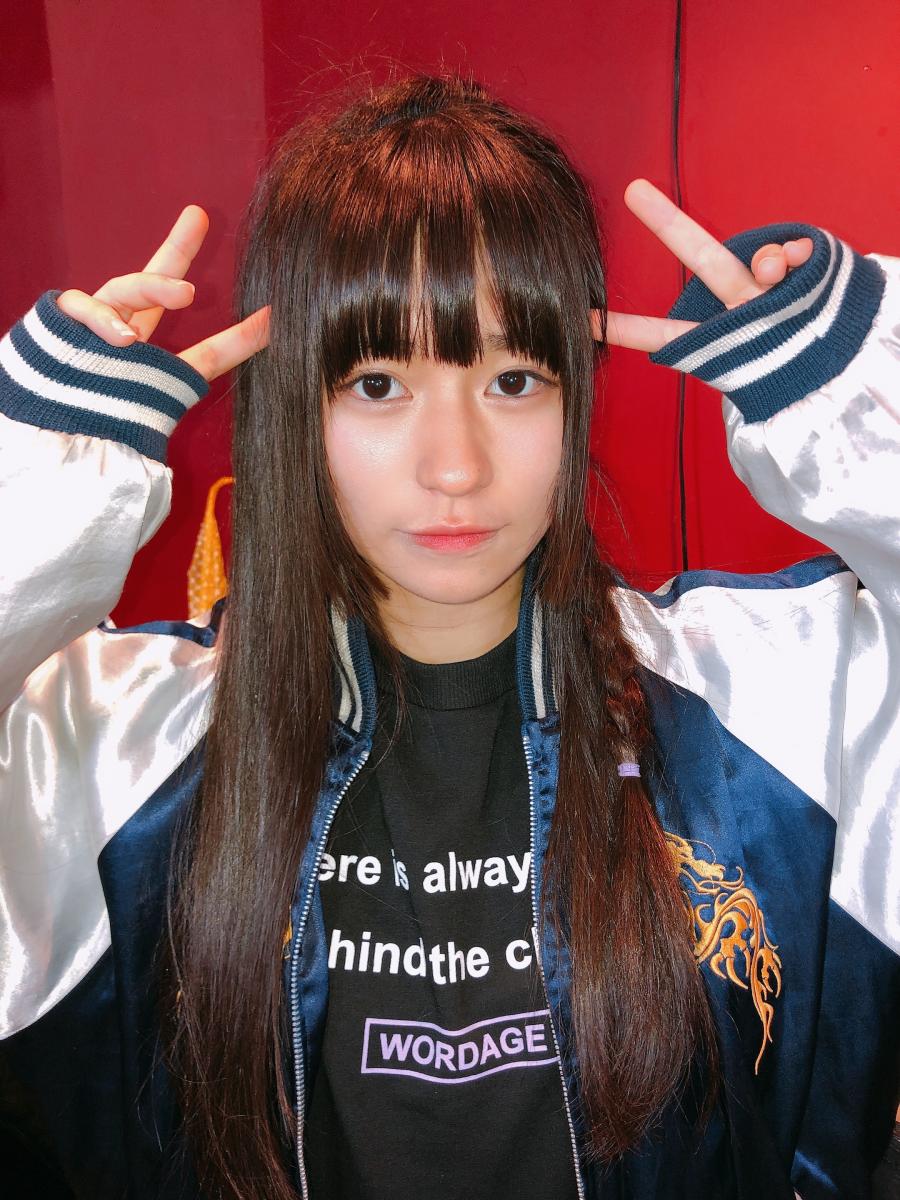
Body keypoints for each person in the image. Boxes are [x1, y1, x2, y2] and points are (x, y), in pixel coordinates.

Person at [0, 71, 897, 1200]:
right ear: (292, 404)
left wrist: (858, 403)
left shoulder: (781, 701)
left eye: (513, 379)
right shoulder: (107, 747)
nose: (456, 467)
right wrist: (39, 484)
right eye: (378, 383)